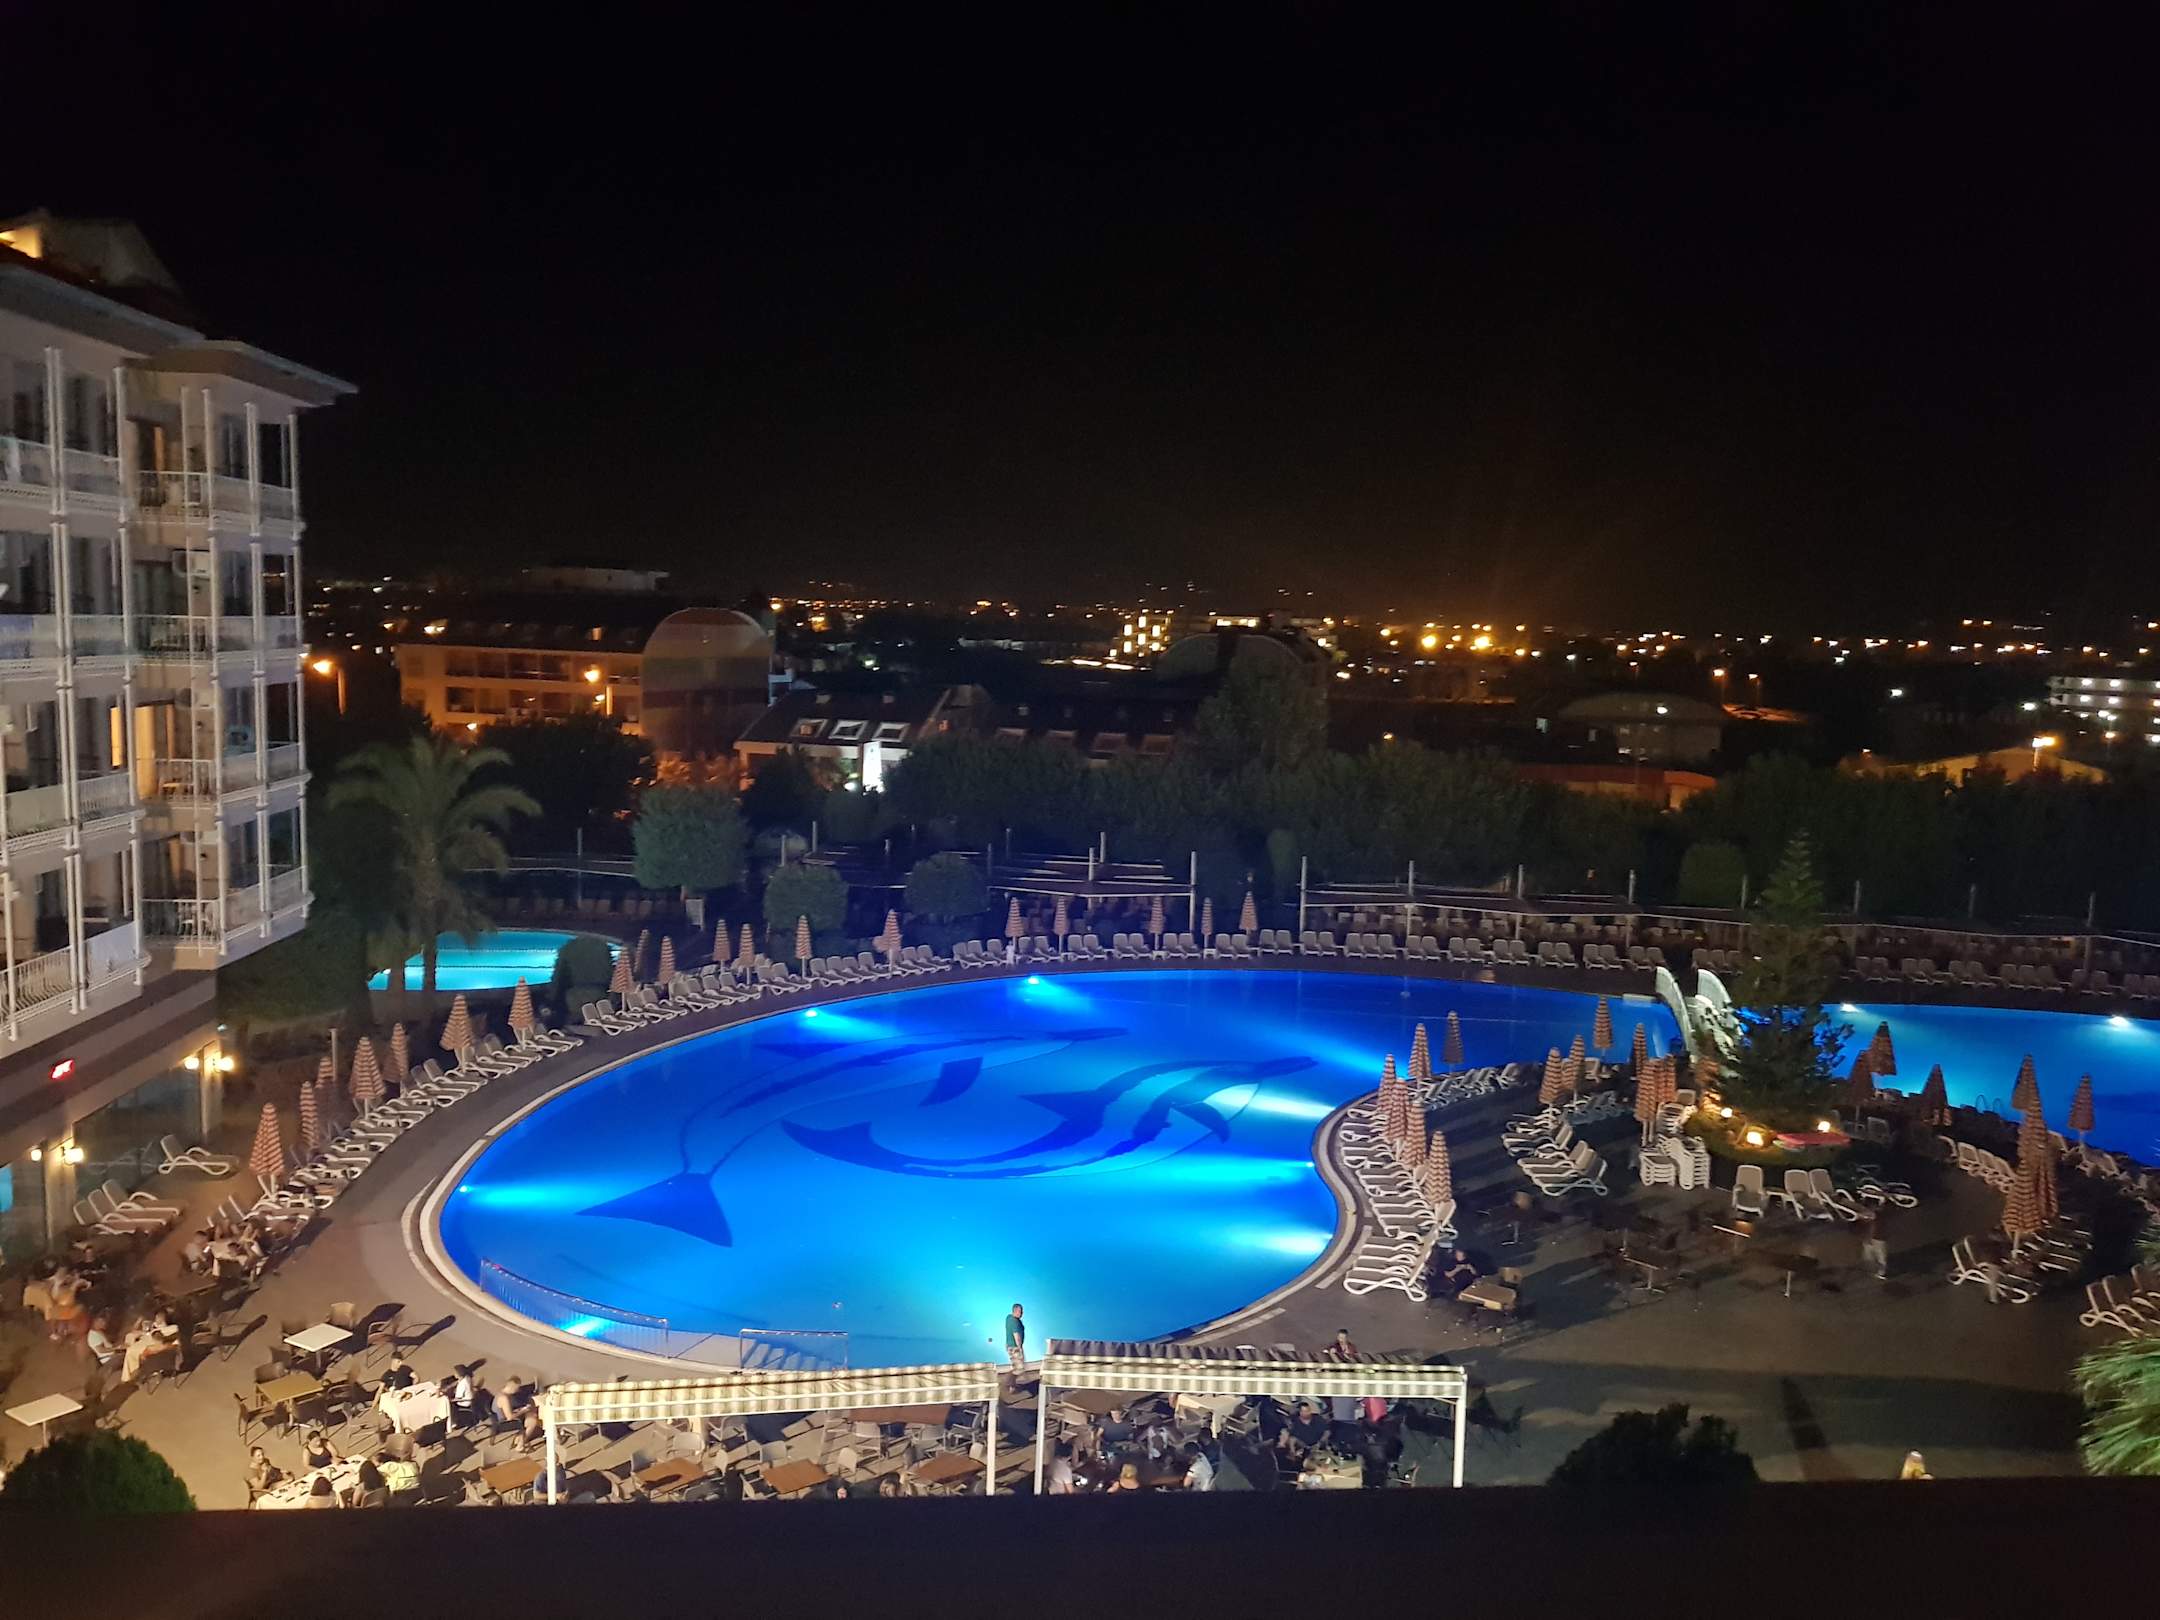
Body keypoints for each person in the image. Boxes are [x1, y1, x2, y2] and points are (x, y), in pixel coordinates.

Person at [1860, 1204, 1892, 1280]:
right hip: (1879, 1238)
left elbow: (1871, 1227)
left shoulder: (1875, 1217)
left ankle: (1878, 1271)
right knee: (1878, 1256)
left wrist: (1868, 1238)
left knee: (1871, 1255)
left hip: (1876, 1238)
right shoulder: (1881, 1217)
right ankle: (1879, 1271)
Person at [1002, 1302, 1026, 1378]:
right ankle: (1010, 1381)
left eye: (1022, 1311)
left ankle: (1011, 1382)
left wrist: (1006, 1344)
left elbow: (1008, 1331)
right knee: (1019, 1368)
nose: (1021, 1313)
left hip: (1010, 1346)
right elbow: (1016, 1335)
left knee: (1014, 1365)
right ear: (1015, 1311)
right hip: (1015, 1347)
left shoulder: (1008, 1318)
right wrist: (1020, 1348)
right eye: (1020, 1311)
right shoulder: (1015, 1322)